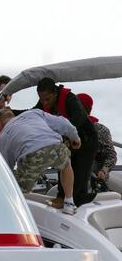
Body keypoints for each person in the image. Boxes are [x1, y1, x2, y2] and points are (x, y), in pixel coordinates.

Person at [0, 108, 81, 215]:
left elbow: (5, 168)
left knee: (16, 190)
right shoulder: (33, 113)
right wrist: (75, 137)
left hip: (31, 157)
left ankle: (9, 214)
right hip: (55, 146)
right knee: (66, 164)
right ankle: (69, 202)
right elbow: (63, 123)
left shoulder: (3, 136)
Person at [35, 77, 98, 207]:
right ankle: (61, 197)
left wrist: (68, 138)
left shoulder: (70, 99)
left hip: (86, 140)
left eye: (47, 99)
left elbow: (78, 119)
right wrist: (13, 113)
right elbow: (33, 113)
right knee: (62, 166)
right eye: (42, 100)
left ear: (55, 93)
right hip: (69, 140)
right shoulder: (44, 102)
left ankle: (78, 202)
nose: (45, 103)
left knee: (79, 176)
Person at [77, 93, 117, 182]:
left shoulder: (101, 130)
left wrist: (103, 171)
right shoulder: (68, 128)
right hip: (71, 180)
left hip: (94, 180)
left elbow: (111, 155)